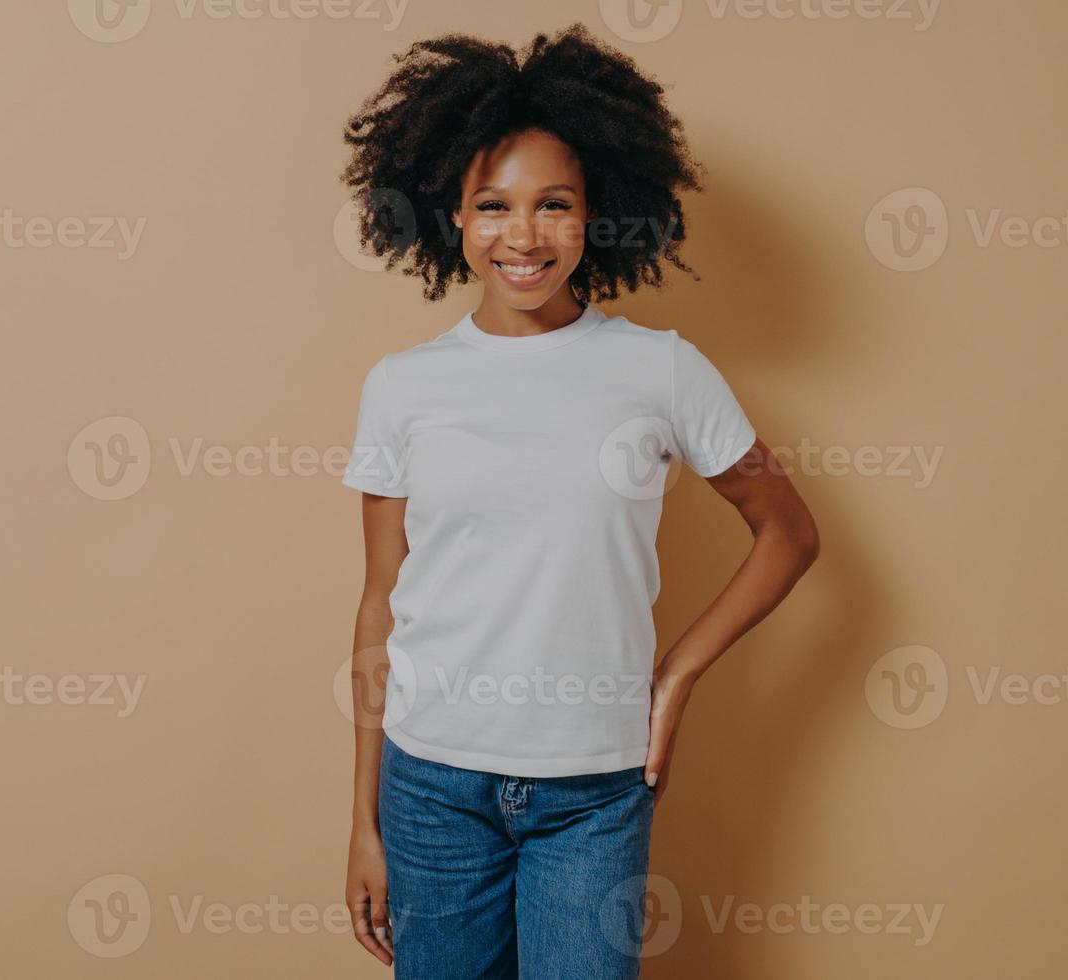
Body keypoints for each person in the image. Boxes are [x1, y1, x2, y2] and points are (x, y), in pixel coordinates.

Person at [338, 24, 819, 979]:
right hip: (431, 782)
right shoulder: (402, 388)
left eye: (553, 204)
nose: (524, 235)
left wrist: (675, 674)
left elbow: (788, 535)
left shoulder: (662, 370)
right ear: (453, 219)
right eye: (493, 206)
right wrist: (364, 817)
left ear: (596, 210)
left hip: (595, 787)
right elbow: (380, 602)